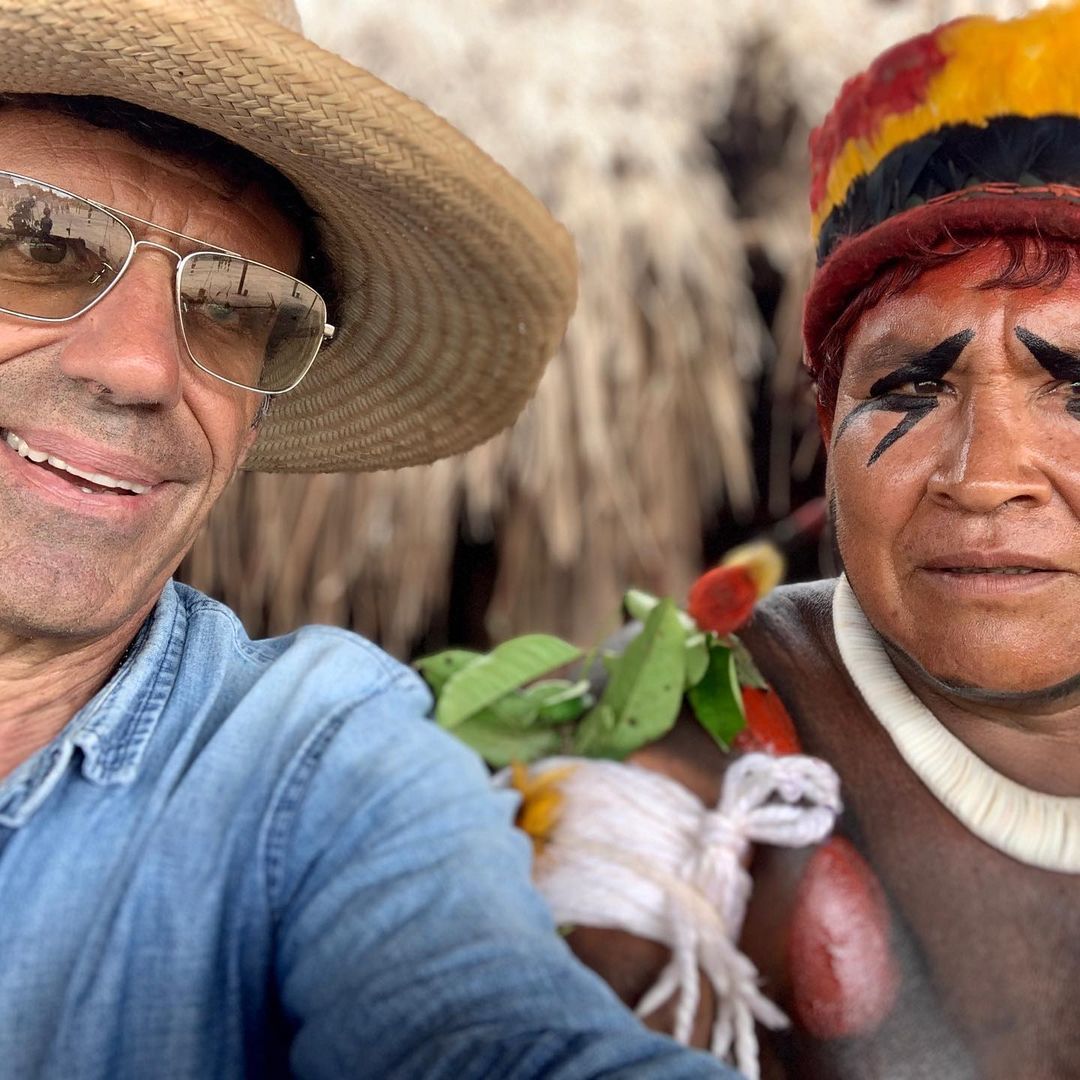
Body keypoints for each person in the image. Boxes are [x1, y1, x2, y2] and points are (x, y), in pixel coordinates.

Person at [0, 0, 741, 1077]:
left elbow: (500, 1043)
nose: (145, 369)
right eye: (39, 243)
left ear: (255, 415)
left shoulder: (315, 762)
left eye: (233, 308)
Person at [418, 6, 1080, 1078]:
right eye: (909, 388)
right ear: (827, 429)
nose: (986, 476)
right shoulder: (673, 774)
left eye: (1077, 392)